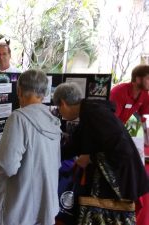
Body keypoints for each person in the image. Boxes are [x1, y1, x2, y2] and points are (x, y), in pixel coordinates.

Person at [53, 82, 149, 224]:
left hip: (121, 181)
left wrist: (91, 158)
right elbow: (73, 147)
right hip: (114, 179)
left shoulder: (95, 114)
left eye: (58, 108)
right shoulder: (88, 113)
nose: (60, 113)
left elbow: (122, 150)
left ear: (63, 103)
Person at [0, 69, 62, 225]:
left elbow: (7, 166)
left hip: (21, 208)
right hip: (46, 205)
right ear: (44, 92)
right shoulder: (53, 120)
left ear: (19, 90)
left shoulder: (19, 118)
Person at [110, 65, 149, 143]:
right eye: (148, 78)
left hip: (119, 131)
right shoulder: (119, 92)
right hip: (107, 131)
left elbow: (145, 117)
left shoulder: (144, 93)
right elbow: (111, 121)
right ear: (138, 79)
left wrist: (147, 140)